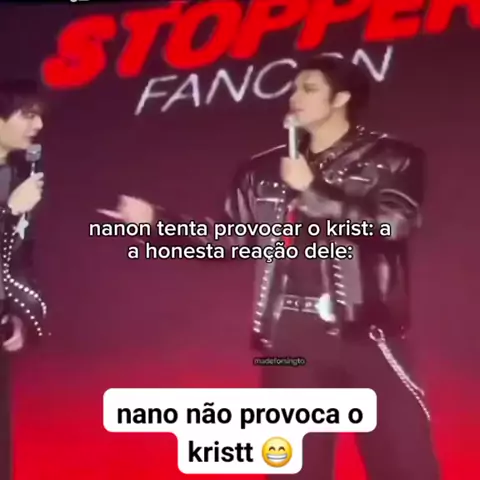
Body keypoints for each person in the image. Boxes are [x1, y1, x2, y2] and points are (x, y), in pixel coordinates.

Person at [99, 55, 440, 479]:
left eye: (309, 88)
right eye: (294, 87)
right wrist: (157, 222)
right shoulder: (262, 170)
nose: (294, 96)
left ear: (342, 99)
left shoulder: (393, 158)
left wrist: (313, 191)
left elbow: (392, 225)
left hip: (367, 333)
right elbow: (228, 241)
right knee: (291, 466)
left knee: (403, 462)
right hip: (290, 339)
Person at [0, 79, 48, 479]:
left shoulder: (16, 175)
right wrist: (10, 211)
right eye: (27, 114)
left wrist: (15, 309)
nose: (38, 125)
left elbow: (17, 255)